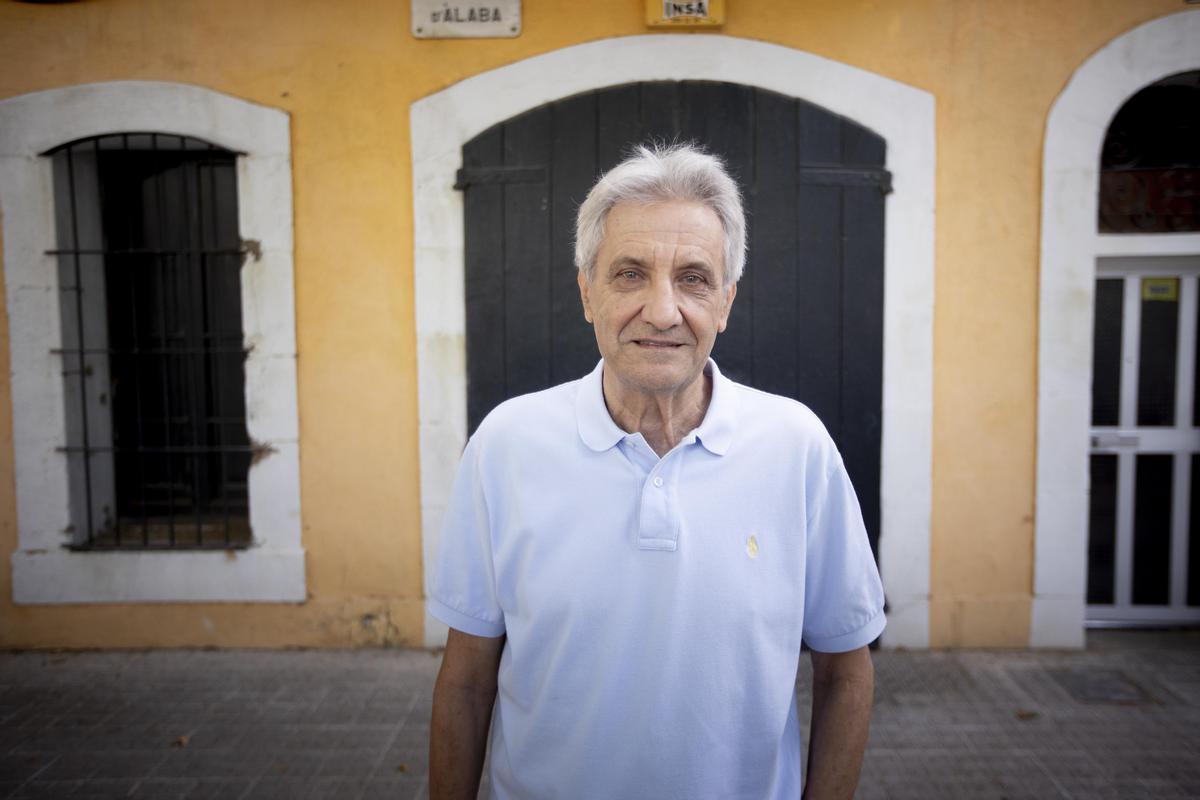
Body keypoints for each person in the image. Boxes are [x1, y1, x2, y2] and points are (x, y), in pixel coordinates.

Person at [428, 142, 885, 800]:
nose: (663, 311)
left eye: (694, 278)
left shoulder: (796, 447)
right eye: (630, 274)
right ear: (587, 292)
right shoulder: (507, 443)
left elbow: (847, 672)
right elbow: (466, 680)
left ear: (726, 301)